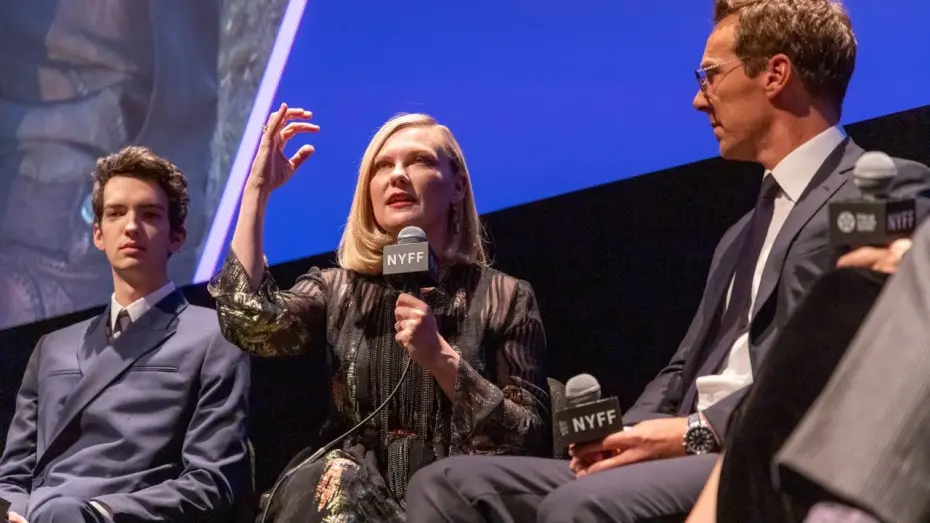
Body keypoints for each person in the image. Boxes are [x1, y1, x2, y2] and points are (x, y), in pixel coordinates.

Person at [403, 1, 930, 521]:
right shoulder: (740, 234)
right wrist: (624, 437)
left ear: (775, 74)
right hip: (680, 447)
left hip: (760, 453)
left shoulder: (880, 192)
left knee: (578, 506)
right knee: (446, 485)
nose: (700, 101)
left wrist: (697, 431)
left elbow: (841, 362)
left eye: (711, 75)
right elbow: (682, 369)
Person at [207, 105, 551, 522]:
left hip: (456, 499)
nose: (397, 175)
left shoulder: (506, 297)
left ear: (458, 186)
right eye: (382, 166)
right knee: (326, 482)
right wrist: (257, 191)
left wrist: (441, 358)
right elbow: (250, 324)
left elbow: (527, 439)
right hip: (350, 498)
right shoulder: (339, 289)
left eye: (420, 160)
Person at [0, 146, 252, 523]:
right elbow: (12, 475)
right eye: (116, 213)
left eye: (149, 214)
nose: (131, 226)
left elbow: (211, 481)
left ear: (177, 236)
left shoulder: (214, 336)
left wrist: (100, 513)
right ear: (99, 234)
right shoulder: (52, 347)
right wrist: (14, 513)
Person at [683, 236, 917, 523]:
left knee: (846, 295)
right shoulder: (737, 235)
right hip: (741, 441)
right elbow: (683, 361)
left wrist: (703, 429)